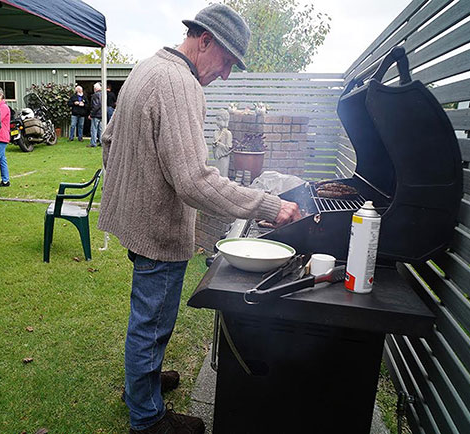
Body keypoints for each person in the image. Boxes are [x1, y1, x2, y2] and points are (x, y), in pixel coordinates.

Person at [98, 4, 301, 433]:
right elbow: (192, 181)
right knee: (151, 325)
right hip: (157, 228)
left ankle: (142, 385)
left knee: (148, 318)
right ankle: (147, 419)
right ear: (204, 40)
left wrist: (129, 193)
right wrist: (268, 205)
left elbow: (109, 139)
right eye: (226, 61)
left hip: (137, 220)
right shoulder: (180, 84)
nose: (225, 74)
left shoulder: (145, 68)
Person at [88, 82, 102, 148]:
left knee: (94, 129)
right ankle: (101, 142)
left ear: (95, 88)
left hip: (96, 115)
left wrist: (91, 114)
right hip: (102, 115)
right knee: (101, 129)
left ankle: (93, 143)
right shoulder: (103, 94)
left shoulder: (95, 95)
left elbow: (96, 106)